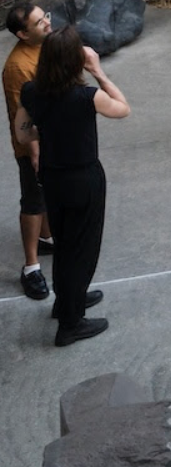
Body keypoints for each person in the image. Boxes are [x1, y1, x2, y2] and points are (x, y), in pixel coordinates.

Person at [15, 26, 130, 345]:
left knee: (65, 244)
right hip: (83, 179)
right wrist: (98, 71)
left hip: (53, 177)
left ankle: (67, 300)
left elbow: (23, 134)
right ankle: (70, 323)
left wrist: (48, 132)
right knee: (82, 251)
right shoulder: (86, 96)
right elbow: (123, 108)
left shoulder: (31, 91)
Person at [4, 4, 54, 301]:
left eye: (45, 16)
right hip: (33, 144)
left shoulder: (45, 46)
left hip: (54, 136)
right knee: (34, 200)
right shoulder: (17, 67)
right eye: (39, 22)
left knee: (47, 193)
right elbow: (22, 116)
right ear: (23, 34)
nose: (47, 22)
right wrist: (34, 153)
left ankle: (47, 238)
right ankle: (31, 267)